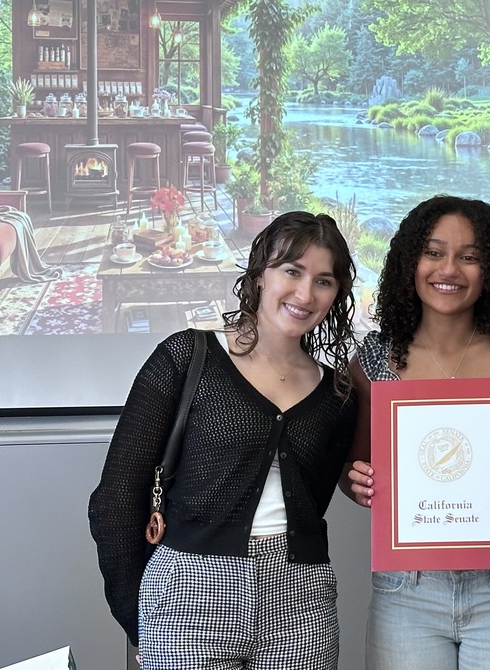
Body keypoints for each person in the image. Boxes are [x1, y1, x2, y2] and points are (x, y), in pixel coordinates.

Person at [88, 211, 359, 670]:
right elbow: (115, 499)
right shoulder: (187, 356)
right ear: (259, 275)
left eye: (324, 280)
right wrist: (141, 618)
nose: (305, 293)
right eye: (291, 271)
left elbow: (312, 505)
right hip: (187, 592)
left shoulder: (338, 395)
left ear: (336, 294)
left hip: (303, 600)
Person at [342, 195, 490, 670]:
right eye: (434, 251)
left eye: (470, 257)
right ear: (410, 260)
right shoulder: (372, 362)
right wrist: (357, 481)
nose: (449, 268)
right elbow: (352, 468)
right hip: (408, 585)